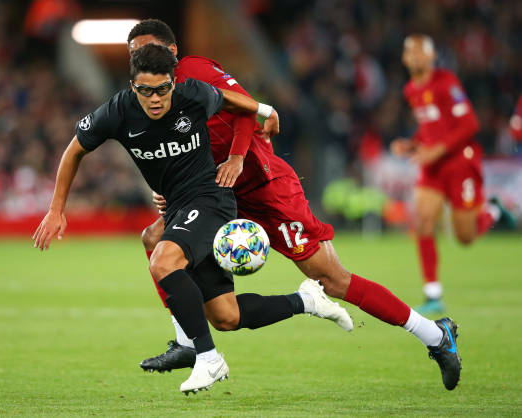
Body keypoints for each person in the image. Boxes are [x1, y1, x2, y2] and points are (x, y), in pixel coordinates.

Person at [128, 20, 462, 391]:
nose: (141, 58)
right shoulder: (151, 96)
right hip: (219, 196)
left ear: (171, 51)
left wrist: (239, 154)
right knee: (156, 239)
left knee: (334, 280)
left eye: (148, 49)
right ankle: (188, 344)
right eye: (134, 54)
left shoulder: (194, 71)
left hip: (265, 189)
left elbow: (246, 110)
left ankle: (434, 335)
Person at [32, 43, 353, 395]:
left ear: (173, 82)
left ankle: (207, 358)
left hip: (210, 199)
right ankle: (306, 301)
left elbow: (233, 100)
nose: (154, 99)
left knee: (162, 260)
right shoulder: (117, 111)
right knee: (226, 316)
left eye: (162, 89)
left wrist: (266, 110)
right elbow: (75, 149)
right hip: (178, 209)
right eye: (145, 91)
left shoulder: (193, 94)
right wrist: (56, 208)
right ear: (132, 86)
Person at [391, 34, 514, 315]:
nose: (417, 57)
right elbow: (430, 126)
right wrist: (412, 143)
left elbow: (469, 123)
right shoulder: (411, 89)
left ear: (433, 57)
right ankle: (433, 293)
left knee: (465, 237)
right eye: (412, 52)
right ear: (405, 58)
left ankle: (493, 211)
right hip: (433, 168)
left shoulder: (446, 83)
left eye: (423, 52)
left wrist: (437, 150)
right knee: (422, 220)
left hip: (460, 162)